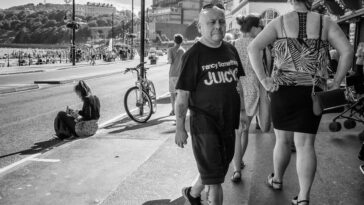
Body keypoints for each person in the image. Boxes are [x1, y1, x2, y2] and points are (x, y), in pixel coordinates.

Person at [247, 0, 353, 204]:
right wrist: (336, 82)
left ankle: (277, 179)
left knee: (282, 140)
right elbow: (347, 51)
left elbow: (254, 48)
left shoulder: (279, 22)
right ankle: (303, 197)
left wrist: (264, 80)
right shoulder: (325, 22)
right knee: (305, 145)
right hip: (313, 91)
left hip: (282, 90)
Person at [175, 3, 244, 205]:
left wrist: (242, 112)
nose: (218, 26)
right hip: (204, 124)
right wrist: (179, 128)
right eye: (211, 22)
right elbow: (182, 97)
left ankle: (193, 194)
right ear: (200, 26)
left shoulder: (231, 49)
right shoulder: (192, 55)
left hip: (228, 122)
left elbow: (236, 84)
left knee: (218, 169)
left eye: (221, 21)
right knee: (215, 182)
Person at [230, 15, 272, 182]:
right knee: (246, 129)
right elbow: (267, 69)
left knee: (237, 131)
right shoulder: (260, 45)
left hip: (238, 89)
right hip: (254, 88)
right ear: (253, 28)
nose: (261, 29)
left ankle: (236, 170)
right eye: (260, 26)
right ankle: (239, 162)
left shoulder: (234, 44)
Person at [167, 34, 185, 116]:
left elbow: (170, 61)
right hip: (181, 75)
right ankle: (179, 110)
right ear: (182, 41)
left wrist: (169, 59)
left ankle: (173, 110)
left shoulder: (170, 50)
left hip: (172, 74)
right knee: (179, 94)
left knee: (172, 94)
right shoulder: (183, 51)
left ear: (174, 41)